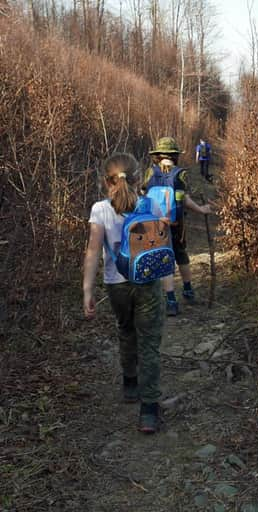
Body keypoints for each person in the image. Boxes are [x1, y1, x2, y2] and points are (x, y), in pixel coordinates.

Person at [83, 152, 164, 433]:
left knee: (126, 330)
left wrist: (87, 291)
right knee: (150, 342)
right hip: (146, 283)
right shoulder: (151, 204)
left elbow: (93, 251)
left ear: (107, 182)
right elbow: (158, 246)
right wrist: (168, 285)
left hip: (115, 284)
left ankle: (130, 383)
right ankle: (149, 410)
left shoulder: (99, 210)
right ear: (139, 179)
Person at [143, 136, 213, 316]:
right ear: (174, 155)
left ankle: (171, 301)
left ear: (158, 155)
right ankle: (188, 290)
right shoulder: (179, 173)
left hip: (155, 223)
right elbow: (183, 199)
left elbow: (143, 195)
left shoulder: (150, 172)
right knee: (181, 256)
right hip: (176, 223)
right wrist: (201, 209)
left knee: (164, 260)